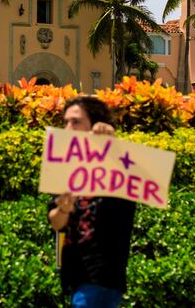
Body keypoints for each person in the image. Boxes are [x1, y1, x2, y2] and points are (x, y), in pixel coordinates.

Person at [48, 96, 136, 308]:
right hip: (75, 277)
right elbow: (55, 222)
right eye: (66, 122)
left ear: (95, 124)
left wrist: (110, 144)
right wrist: (63, 209)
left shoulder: (118, 164)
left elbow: (134, 178)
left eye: (76, 122)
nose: (68, 128)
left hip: (101, 279)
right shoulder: (66, 167)